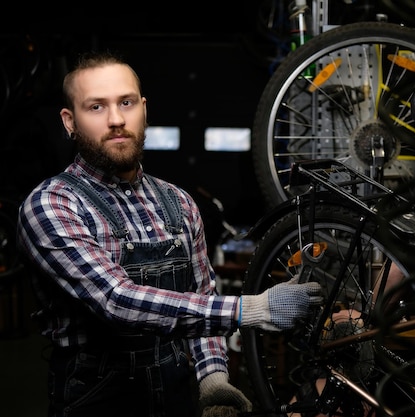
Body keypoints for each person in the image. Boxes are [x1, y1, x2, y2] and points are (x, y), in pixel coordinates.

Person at [16, 50, 322, 417]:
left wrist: (213, 380)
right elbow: (118, 301)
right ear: (69, 121)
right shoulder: (51, 205)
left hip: (179, 397)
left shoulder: (179, 202)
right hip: (98, 402)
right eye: (96, 107)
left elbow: (201, 297)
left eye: (126, 102)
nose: (116, 119)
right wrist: (253, 308)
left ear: (143, 109)